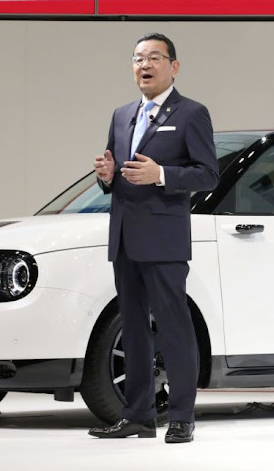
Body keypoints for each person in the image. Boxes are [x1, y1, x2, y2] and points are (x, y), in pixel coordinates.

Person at [88, 33, 219, 443]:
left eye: (154, 58)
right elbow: (118, 171)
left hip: (164, 241)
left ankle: (181, 415)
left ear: (174, 67)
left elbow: (208, 174)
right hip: (125, 238)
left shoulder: (192, 113)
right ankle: (138, 415)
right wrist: (106, 177)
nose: (144, 65)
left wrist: (161, 174)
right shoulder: (121, 114)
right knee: (133, 329)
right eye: (138, 58)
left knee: (173, 327)